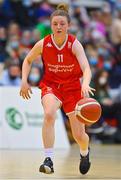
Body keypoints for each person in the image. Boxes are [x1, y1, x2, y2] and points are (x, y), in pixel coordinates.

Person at [20, 3, 95, 175]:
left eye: (62, 24)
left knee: (79, 136)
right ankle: (49, 159)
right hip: (51, 85)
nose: (59, 27)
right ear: (51, 25)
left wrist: (85, 83)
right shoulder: (43, 43)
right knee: (49, 114)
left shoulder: (74, 44)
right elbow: (28, 60)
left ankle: (84, 152)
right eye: (55, 24)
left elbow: (86, 68)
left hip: (73, 88)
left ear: (68, 25)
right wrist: (24, 81)